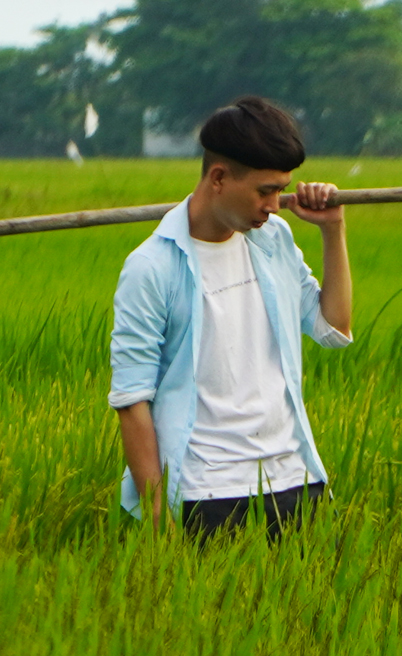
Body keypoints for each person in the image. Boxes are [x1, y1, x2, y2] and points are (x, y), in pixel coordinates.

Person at [109, 96, 353, 540]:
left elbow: (333, 328)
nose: (275, 206)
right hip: (209, 495)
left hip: (296, 481)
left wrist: (332, 230)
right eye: (265, 191)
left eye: (282, 189)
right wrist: (158, 522)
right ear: (218, 178)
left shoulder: (273, 239)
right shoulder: (152, 267)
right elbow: (132, 400)